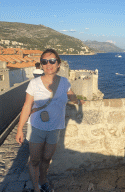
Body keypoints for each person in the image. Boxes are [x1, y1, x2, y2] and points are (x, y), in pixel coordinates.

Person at [16, 49, 84, 192]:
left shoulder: (65, 82)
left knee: (46, 159)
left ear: (58, 64)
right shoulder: (34, 83)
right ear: (41, 65)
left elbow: (71, 95)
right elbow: (27, 105)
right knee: (34, 160)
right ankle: (36, 188)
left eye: (52, 61)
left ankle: (43, 180)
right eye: (44, 62)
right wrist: (19, 129)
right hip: (36, 128)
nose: (48, 64)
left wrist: (77, 101)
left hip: (54, 129)